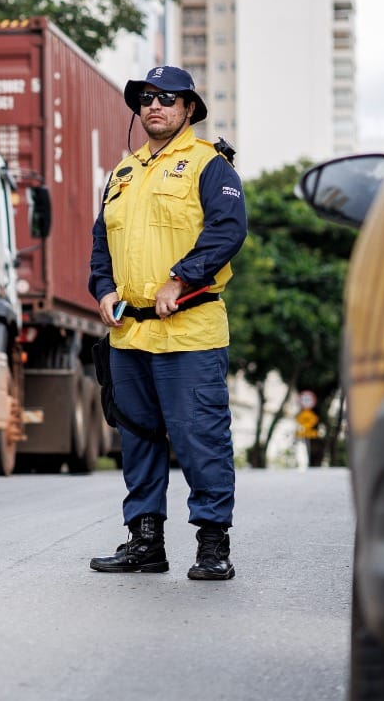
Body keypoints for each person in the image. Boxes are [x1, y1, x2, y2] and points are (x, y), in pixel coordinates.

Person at [87, 65, 247, 581]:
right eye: (146, 98)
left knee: (200, 438)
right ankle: (145, 542)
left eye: (167, 98)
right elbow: (101, 243)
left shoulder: (209, 165)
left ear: (189, 108)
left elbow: (227, 230)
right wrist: (103, 289)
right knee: (137, 440)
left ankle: (212, 544)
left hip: (189, 331)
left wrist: (181, 279)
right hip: (129, 334)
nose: (154, 106)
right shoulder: (123, 172)